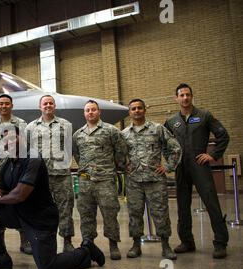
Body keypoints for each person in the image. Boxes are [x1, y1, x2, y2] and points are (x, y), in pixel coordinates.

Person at [0, 126, 105, 269]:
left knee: (48, 267)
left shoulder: (33, 159)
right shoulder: (8, 164)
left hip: (39, 219)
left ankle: (86, 251)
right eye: (5, 140)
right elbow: (1, 191)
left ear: (22, 138)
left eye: (13, 138)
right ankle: (0, 261)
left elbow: (19, 195)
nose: (9, 142)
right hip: (19, 214)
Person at [164, 84, 229, 259]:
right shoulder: (171, 121)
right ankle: (187, 241)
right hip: (181, 167)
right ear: (176, 98)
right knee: (183, 206)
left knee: (211, 203)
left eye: (187, 95)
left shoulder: (204, 116)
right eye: (181, 95)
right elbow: (164, 143)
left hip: (200, 165)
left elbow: (223, 135)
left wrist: (213, 155)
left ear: (192, 97)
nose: (185, 98)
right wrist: (172, 160)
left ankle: (221, 243)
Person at [121, 99, 181, 260]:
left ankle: (166, 245)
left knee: (161, 213)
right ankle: (135, 245)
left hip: (155, 180)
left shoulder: (157, 129)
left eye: (139, 108)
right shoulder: (124, 134)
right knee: (134, 214)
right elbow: (118, 154)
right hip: (134, 181)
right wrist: (123, 166)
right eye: (133, 108)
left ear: (145, 110)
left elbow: (175, 148)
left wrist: (168, 167)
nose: (137, 111)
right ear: (130, 112)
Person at [72, 100, 128, 260]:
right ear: (84, 113)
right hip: (85, 182)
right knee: (86, 215)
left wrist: (114, 168)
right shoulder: (78, 134)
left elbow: (120, 151)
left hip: (105, 181)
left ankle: (113, 245)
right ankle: (88, 245)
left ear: (99, 112)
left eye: (93, 110)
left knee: (110, 214)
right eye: (87, 110)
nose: (90, 112)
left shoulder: (111, 130)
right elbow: (77, 155)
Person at [25, 95, 76, 252]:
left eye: (50, 103)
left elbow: (71, 148)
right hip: (40, 177)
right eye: (45, 103)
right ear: (40, 107)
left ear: (54, 106)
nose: (48, 105)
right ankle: (42, 240)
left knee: (66, 208)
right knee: (40, 209)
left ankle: (67, 240)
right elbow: (27, 151)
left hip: (61, 174)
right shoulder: (31, 127)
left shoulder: (65, 125)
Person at [0, 94, 31, 255]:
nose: (4, 106)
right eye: (1, 104)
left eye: (7, 103)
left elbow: (26, 146)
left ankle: (25, 242)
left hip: (17, 171)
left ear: (11, 105)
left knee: (22, 206)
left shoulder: (21, 124)